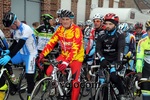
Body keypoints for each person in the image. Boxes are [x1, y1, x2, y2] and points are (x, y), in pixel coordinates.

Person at [37, 9, 84, 100]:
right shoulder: (59, 29)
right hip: (64, 55)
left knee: (75, 82)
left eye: (67, 19)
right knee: (49, 71)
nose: (65, 21)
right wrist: (42, 54)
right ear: (60, 20)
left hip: (76, 57)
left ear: (71, 20)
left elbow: (75, 48)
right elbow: (51, 43)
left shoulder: (76, 30)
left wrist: (67, 62)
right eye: (63, 19)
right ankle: (62, 83)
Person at [1, 11, 38, 100]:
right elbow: (15, 43)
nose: (10, 28)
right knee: (4, 62)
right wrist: (8, 51)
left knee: (29, 77)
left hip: (30, 55)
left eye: (11, 26)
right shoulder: (16, 30)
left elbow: (20, 44)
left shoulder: (26, 29)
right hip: (21, 54)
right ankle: (12, 82)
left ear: (15, 22)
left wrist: (9, 55)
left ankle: (29, 96)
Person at [96, 13, 126, 99]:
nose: (108, 26)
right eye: (106, 23)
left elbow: (121, 49)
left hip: (115, 59)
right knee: (102, 81)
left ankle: (121, 93)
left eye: (110, 24)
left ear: (115, 25)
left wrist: (119, 61)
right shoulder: (101, 34)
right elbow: (97, 49)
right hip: (104, 59)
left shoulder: (119, 34)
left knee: (114, 77)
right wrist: (102, 59)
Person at [136, 25, 150, 100]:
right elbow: (139, 58)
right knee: (146, 95)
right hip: (146, 69)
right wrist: (139, 71)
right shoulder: (142, 42)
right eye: (149, 30)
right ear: (147, 31)